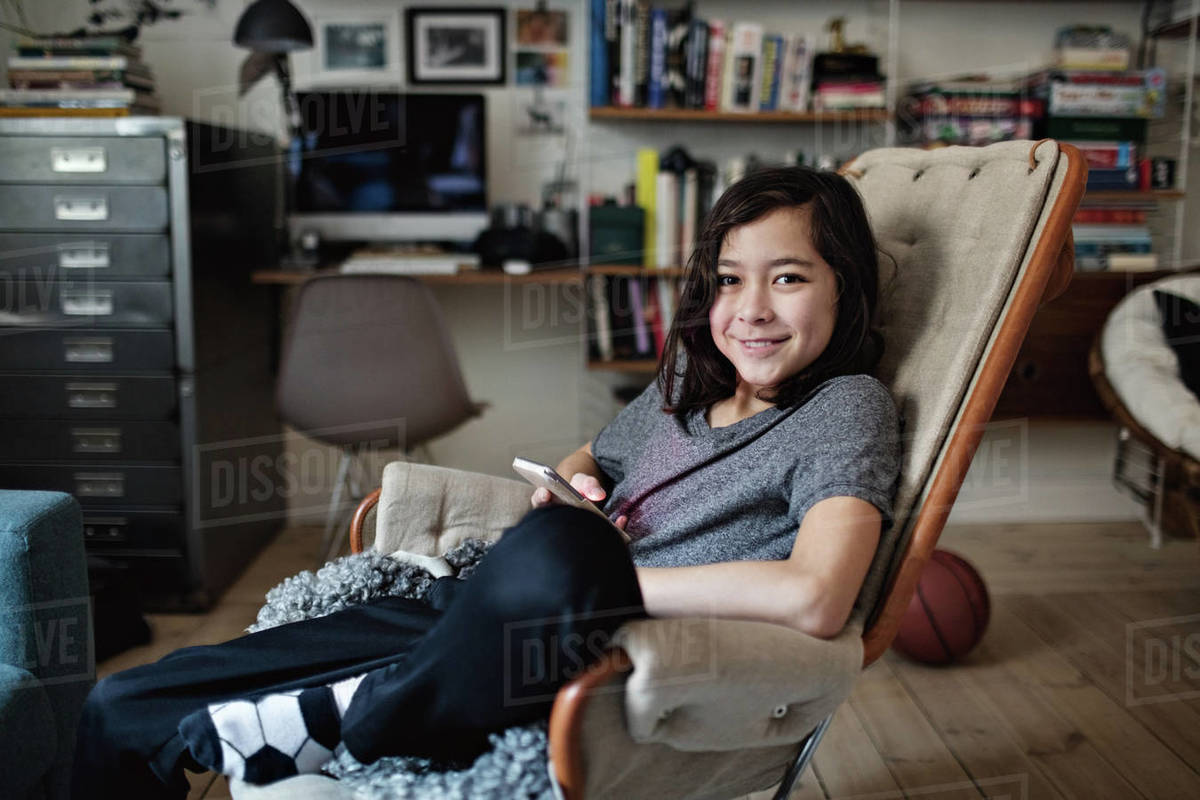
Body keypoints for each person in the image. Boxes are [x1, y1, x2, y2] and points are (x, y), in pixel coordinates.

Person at [71, 165, 900, 798]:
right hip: (469, 614)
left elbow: (817, 598)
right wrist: (572, 490)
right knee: (119, 707)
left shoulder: (842, 407)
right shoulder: (687, 389)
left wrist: (608, 574)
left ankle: (364, 719)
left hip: (579, 648)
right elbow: (588, 459)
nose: (750, 308)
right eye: (728, 279)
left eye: (787, 277)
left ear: (844, 287)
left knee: (567, 553)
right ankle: (370, 702)